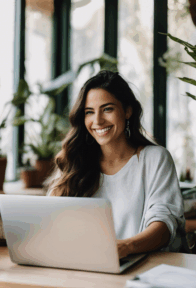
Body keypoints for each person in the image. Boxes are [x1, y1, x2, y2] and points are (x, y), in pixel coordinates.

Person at [47, 70, 185, 258]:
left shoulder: (155, 159)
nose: (97, 121)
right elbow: (51, 221)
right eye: (89, 112)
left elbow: (164, 225)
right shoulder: (74, 160)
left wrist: (126, 246)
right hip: (82, 265)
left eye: (107, 109)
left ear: (127, 110)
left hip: (139, 265)